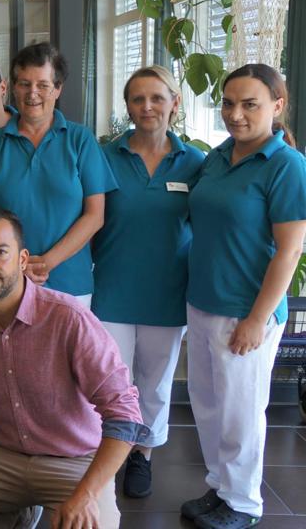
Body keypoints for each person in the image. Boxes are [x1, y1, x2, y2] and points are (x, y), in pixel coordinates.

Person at [0, 207, 148, 529]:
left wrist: (87, 494)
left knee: (95, 524)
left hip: (73, 458)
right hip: (2, 452)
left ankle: (24, 510)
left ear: (22, 259)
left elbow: (125, 414)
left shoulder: (68, 318)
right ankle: (17, 512)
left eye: (0, 252)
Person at [181, 64, 306, 529]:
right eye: (228, 103)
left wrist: (257, 318)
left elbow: (290, 250)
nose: (235, 114)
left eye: (249, 104)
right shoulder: (218, 157)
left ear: (277, 106)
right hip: (203, 300)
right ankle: (220, 487)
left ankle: (244, 502)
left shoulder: (286, 165)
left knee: (240, 410)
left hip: (245, 310)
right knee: (208, 404)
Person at [90, 66, 205, 499]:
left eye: (157, 98)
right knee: (111, 381)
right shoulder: (105, 155)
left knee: (154, 382)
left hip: (167, 292)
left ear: (175, 102)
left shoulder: (196, 163)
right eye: (137, 99)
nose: (147, 107)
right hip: (112, 289)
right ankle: (109, 452)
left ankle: (143, 454)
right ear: (127, 107)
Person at [0, 42, 116, 303]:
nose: (32, 93)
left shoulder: (80, 141)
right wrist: (15, 268)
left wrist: (47, 262)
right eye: (24, 83)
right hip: (7, 283)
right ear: (13, 88)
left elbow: (95, 216)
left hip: (70, 283)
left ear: (58, 89)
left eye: (43, 85)